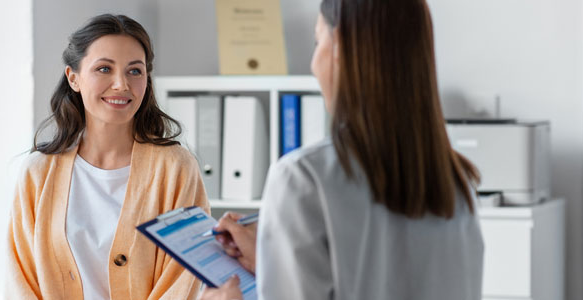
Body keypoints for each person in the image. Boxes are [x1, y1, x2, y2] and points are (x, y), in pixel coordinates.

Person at [201, 0, 484, 299]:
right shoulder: (456, 181)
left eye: (318, 40)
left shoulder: (303, 178)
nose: (313, 62)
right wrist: (275, 267)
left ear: (341, 49)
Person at [7, 14, 208, 299]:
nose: (121, 85)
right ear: (73, 78)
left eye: (134, 71)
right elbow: (22, 281)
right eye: (104, 69)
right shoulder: (38, 172)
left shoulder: (176, 168)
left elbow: (182, 279)